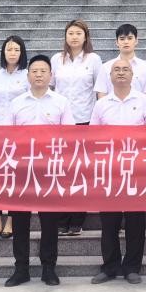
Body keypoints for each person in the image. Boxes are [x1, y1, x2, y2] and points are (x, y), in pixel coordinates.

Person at [0, 55, 77, 287]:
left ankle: (49, 268)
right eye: (34, 71)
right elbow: (7, 136)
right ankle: (21, 269)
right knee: (20, 221)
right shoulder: (16, 103)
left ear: (51, 75)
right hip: (21, 169)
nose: (39, 74)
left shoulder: (61, 102)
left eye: (43, 71)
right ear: (28, 75)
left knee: (49, 221)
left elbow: (69, 136)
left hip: (49, 170)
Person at [90, 60, 146, 284]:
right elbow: (92, 137)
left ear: (132, 75)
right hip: (109, 170)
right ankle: (110, 266)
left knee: (135, 221)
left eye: (125, 69)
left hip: (136, 169)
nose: (121, 73)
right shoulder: (101, 104)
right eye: (116, 70)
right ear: (110, 76)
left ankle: (132, 267)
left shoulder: (144, 101)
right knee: (109, 221)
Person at [52, 18, 101, 236]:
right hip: (60, 122)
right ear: (65, 36)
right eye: (70, 33)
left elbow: (99, 90)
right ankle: (62, 219)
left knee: (80, 171)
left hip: (84, 120)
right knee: (61, 170)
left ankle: (77, 219)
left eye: (78, 33)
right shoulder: (56, 60)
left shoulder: (93, 59)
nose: (74, 37)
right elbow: (50, 88)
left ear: (85, 37)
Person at [0, 34, 30, 240]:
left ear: (22, 53)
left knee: (14, 176)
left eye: (16, 50)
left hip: (18, 132)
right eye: (9, 49)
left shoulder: (28, 75)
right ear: (3, 52)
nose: (12, 53)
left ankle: (11, 220)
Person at [94, 22, 146, 101]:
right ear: (117, 42)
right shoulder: (106, 67)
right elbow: (102, 96)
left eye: (130, 38)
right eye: (122, 39)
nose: (126, 42)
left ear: (136, 41)